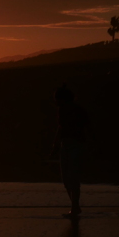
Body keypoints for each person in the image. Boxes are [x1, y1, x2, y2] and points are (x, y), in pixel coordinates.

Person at [51, 84, 88, 217]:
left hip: (76, 144)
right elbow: (60, 127)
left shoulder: (77, 110)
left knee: (73, 177)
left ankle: (74, 208)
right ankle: (75, 206)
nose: (55, 101)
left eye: (57, 98)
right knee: (66, 179)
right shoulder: (61, 110)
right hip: (65, 144)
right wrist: (56, 145)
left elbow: (85, 127)